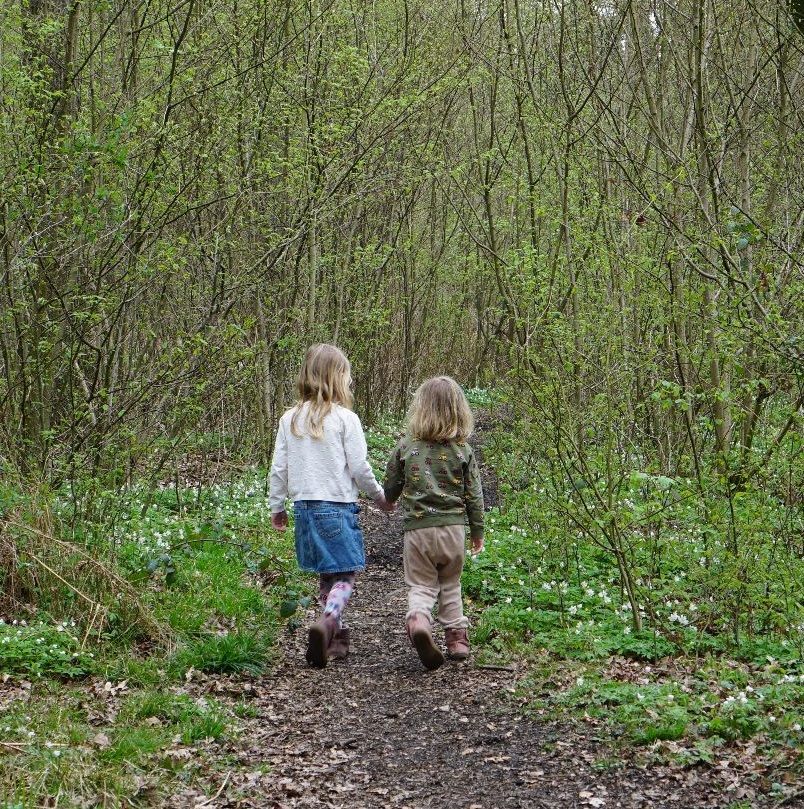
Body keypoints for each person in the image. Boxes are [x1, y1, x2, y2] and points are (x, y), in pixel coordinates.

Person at [269, 344, 391, 668]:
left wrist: (276, 506)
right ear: (337, 379)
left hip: (304, 509)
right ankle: (330, 621)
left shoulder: (289, 419)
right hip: (336, 508)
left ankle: (335, 640)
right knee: (346, 574)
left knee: (327, 574)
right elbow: (359, 467)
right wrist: (379, 495)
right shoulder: (345, 419)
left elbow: (278, 468)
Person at [383, 376, 484, 670]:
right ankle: (457, 639)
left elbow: (391, 486)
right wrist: (477, 531)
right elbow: (474, 495)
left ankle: (418, 619)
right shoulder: (462, 450)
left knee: (422, 585)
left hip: (418, 531)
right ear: (459, 411)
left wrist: (388, 499)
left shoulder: (406, 447)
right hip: (453, 529)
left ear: (420, 409)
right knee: (450, 583)